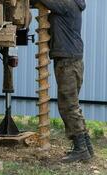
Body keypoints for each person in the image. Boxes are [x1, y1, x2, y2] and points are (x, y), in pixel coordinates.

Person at [31, 0, 94, 163]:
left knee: (68, 106)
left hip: (68, 61)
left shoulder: (67, 3)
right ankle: (86, 146)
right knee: (72, 105)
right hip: (70, 59)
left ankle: (81, 149)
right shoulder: (70, 4)